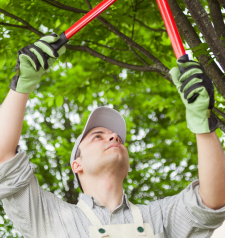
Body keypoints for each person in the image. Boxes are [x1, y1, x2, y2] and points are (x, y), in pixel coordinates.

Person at [0, 35, 225, 238]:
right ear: (76, 164)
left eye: (117, 137)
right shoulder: (50, 217)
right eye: (98, 136)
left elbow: (213, 201)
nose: (114, 138)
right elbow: (3, 159)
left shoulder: (160, 217)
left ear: (127, 168)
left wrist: (202, 123)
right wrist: (22, 85)